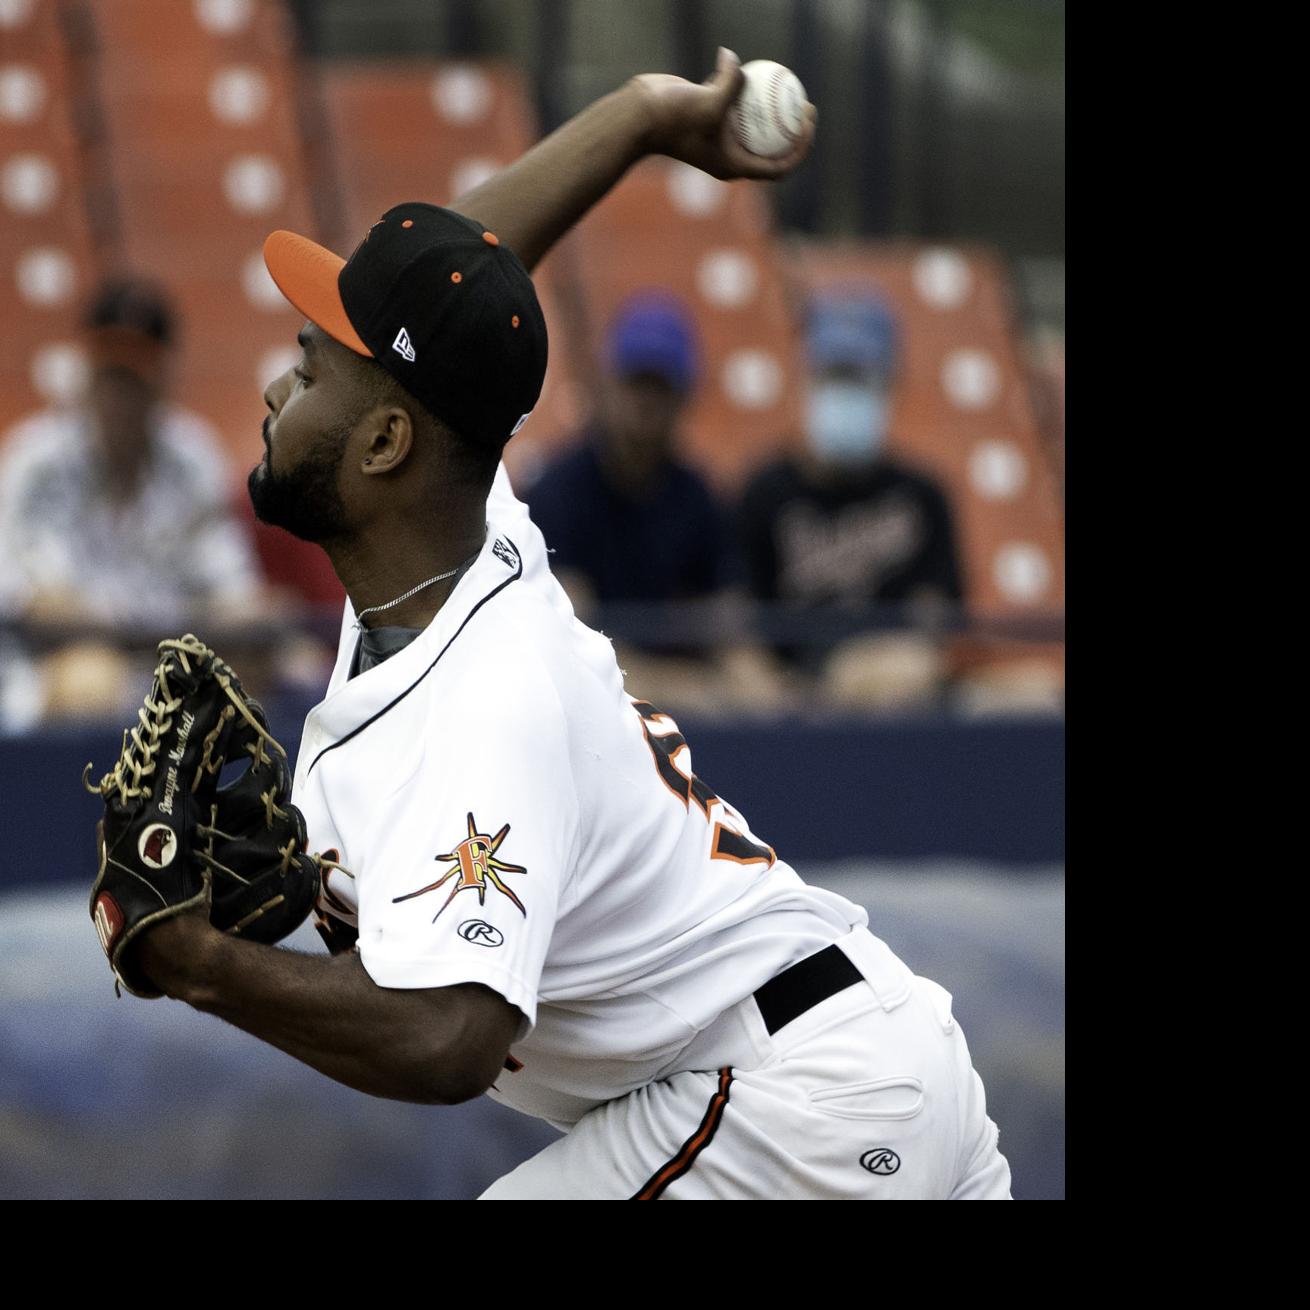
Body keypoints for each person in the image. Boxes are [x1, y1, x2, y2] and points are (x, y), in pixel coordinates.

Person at [125, 51, 1010, 1199]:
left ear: (386, 444)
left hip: (795, 1093)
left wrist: (193, 960)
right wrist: (637, 118)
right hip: (826, 1061)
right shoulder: (451, 525)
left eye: (306, 369)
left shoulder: (485, 693)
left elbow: (451, 1040)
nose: (275, 390)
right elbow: (446, 292)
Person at [0, 278, 266, 722]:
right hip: (49, 671)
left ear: (162, 378)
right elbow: (33, 606)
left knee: (263, 668)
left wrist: (247, 621)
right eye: (108, 373)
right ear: (85, 370)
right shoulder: (36, 461)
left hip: (168, 666)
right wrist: (162, 627)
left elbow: (234, 595)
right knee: (90, 678)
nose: (118, 395)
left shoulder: (193, 459)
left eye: (132, 377)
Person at [525, 292, 780, 714]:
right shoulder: (558, 491)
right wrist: (694, 687)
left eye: (661, 385)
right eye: (635, 381)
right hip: (577, 706)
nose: (646, 401)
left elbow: (727, 621)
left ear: (684, 396)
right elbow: (571, 642)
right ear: (607, 384)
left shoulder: (696, 497)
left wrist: (762, 688)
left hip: (669, 698)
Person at [739, 290, 965, 708]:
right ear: (805, 378)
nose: (846, 392)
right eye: (835, 375)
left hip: (892, 700)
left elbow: (933, 630)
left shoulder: (922, 495)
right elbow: (739, 624)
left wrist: (859, 674)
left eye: (860, 378)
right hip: (788, 707)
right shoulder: (762, 493)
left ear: (889, 384)